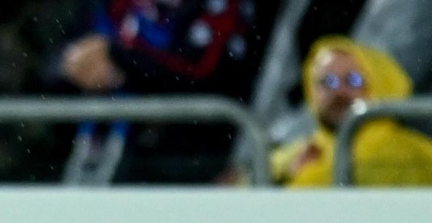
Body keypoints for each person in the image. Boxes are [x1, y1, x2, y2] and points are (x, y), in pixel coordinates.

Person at [50, 0, 277, 184]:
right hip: (82, 162)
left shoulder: (224, 8)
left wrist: (122, 62)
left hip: (186, 168)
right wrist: (75, 68)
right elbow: (51, 70)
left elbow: (213, 83)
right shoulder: (109, 7)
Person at [271, 35, 432, 183]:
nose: (339, 92)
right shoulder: (288, 159)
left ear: (382, 86)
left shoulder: (415, 161)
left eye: (354, 80)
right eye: (328, 82)